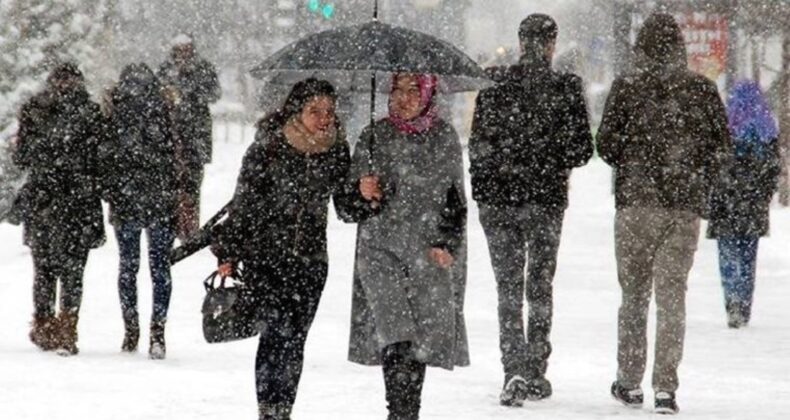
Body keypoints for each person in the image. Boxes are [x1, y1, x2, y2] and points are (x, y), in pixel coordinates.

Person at [596, 13, 732, 415]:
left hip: (636, 205)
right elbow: (722, 148)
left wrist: (635, 157)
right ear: (680, 47)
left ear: (641, 47)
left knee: (634, 296)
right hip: (683, 207)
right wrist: (694, 172)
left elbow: (605, 145)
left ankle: (629, 381)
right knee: (673, 299)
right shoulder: (701, 90)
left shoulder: (627, 87)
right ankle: (666, 388)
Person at [468, 13, 593, 406]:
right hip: (545, 200)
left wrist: (487, 188)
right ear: (552, 43)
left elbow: (478, 145)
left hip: (500, 201)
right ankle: (537, 368)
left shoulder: (494, 83)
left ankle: (514, 368)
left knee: (507, 287)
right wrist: (549, 157)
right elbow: (581, 151)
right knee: (539, 284)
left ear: (521, 41)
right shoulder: (566, 87)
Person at [211, 78, 350, 420]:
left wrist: (365, 192)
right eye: (314, 110)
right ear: (296, 111)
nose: (323, 118)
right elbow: (244, 206)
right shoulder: (267, 149)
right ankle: (268, 412)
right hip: (266, 259)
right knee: (274, 337)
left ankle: (282, 411)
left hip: (312, 263)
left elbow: (347, 208)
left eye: (329, 111)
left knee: (295, 341)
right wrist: (229, 252)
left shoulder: (336, 151)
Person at [337, 73, 468, 420]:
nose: (404, 98)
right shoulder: (373, 136)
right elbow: (346, 208)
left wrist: (447, 242)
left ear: (428, 95)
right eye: (397, 89)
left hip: (426, 253)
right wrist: (362, 193)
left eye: (414, 90)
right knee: (395, 332)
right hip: (379, 251)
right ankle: (399, 410)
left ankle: (408, 410)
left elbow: (456, 202)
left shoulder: (444, 137)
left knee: (417, 337)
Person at [13, 62, 106, 356]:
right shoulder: (90, 113)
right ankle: (66, 327)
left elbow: (21, 157)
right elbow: (99, 159)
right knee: (72, 271)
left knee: (44, 270)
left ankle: (45, 325)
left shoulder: (36, 109)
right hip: (78, 201)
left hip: (45, 201)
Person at [102, 63, 179, 358]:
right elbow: (178, 156)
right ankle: (157, 331)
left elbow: (106, 157)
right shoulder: (165, 110)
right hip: (159, 199)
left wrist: (112, 191)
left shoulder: (114, 111)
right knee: (160, 268)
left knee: (128, 267)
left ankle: (130, 329)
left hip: (127, 200)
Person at [707, 80, 781, 329]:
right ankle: (744, 304)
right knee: (748, 257)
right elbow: (773, 168)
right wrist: (764, 194)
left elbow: (713, 164)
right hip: (753, 204)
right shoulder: (767, 128)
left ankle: (732, 303)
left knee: (727, 255)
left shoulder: (726, 125)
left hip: (726, 202)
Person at [157, 34, 221, 240]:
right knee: (171, 184)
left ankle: (190, 228)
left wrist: (192, 91)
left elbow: (214, 93)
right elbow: (157, 94)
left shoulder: (203, 68)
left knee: (192, 185)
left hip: (196, 135)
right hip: (171, 135)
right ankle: (173, 225)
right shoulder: (165, 69)